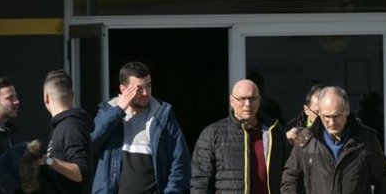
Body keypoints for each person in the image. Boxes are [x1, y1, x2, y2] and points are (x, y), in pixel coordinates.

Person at [91, 61, 191, 193]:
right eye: (138, 88)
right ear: (123, 89)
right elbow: (90, 140)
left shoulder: (162, 115)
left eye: (148, 86)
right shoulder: (108, 112)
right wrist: (118, 110)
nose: (145, 93)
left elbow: (180, 160)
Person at [281, 86, 386, 194]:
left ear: (347, 110)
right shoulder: (306, 140)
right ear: (319, 113)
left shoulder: (366, 139)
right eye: (326, 117)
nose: (332, 123)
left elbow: (383, 179)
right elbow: (290, 177)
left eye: (336, 116)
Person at [191, 79, 288, 194]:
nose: (248, 104)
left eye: (253, 99)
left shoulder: (275, 131)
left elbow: (290, 175)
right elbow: (200, 182)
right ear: (231, 101)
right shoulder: (212, 134)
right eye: (242, 99)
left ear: (259, 101)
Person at [39, 69, 93, 194]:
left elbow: (80, 172)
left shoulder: (70, 126)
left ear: (46, 97)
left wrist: (48, 160)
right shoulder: (62, 125)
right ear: (73, 96)